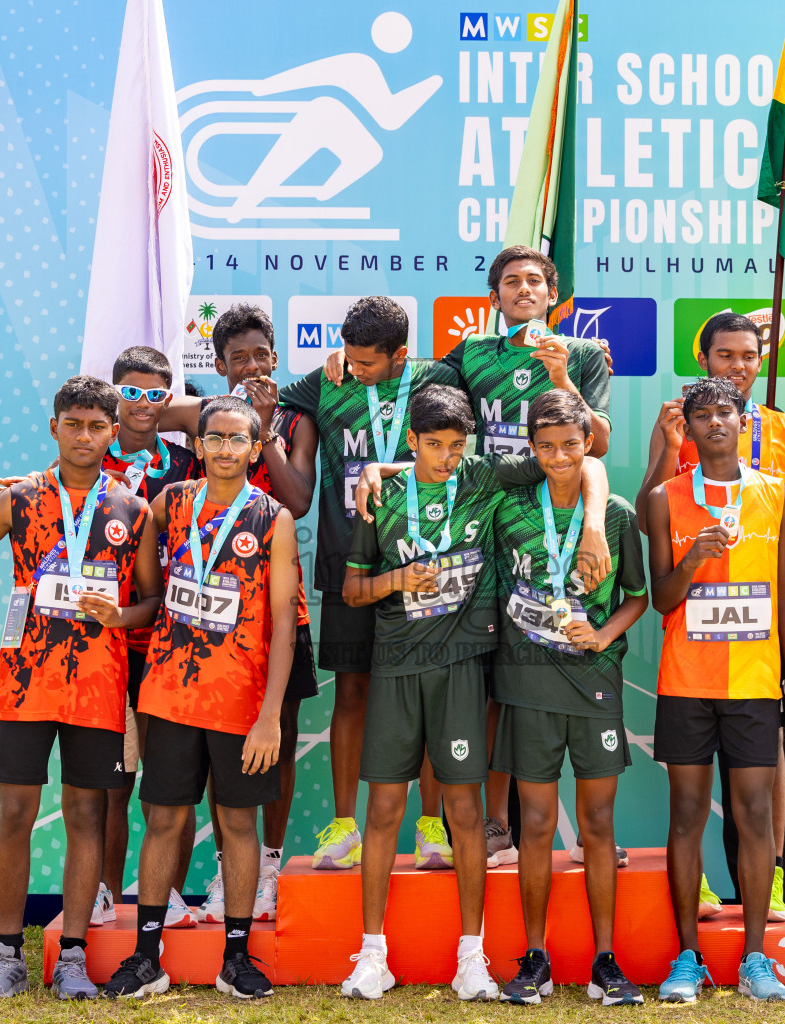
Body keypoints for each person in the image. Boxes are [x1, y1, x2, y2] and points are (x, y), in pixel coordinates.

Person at [325, 246, 614, 866]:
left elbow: (597, 444)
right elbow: (437, 429)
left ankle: (590, 836)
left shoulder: (583, 353)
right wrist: (351, 372)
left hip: (557, 511)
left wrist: (562, 381)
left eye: (536, 280)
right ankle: (491, 826)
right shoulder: (474, 354)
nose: (524, 289)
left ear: (552, 293)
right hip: (493, 509)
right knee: (493, 684)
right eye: (511, 281)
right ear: (496, 295)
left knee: (552, 672)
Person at [337, 384, 610, 1001]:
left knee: (465, 814)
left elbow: (582, 459)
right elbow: (353, 592)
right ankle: (372, 953)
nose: (446, 458)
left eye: (456, 447)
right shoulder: (382, 496)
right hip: (397, 668)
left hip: (462, 667)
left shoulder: (484, 477)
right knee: (382, 810)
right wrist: (396, 579)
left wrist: (593, 523)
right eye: (433, 446)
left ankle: (471, 956)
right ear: (411, 443)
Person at [0, 376, 162, 1001]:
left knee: (87, 814)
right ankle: (6, 954)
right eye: (73, 425)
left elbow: (152, 600)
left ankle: (74, 957)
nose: (84, 437)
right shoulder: (22, 499)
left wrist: (119, 617)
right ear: (54, 427)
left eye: (97, 427)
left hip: (98, 687)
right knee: (14, 813)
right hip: (25, 683)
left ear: (115, 434)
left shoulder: (132, 510)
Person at [100, 395, 300, 1000]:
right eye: (213, 438)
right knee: (164, 820)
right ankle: (145, 956)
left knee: (237, 823)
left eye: (237, 439)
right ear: (200, 444)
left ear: (256, 447)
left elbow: (285, 627)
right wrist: (37, 481)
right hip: (166, 695)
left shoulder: (274, 518)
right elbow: (111, 508)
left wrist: (271, 716)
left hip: (241, 702)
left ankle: (235, 959)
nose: (223, 449)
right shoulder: (172, 501)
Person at [277, 297, 467, 871]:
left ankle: (432, 824)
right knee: (352, 692)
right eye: (350, 357)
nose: (355, 370)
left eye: (367, 362)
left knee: (432, 696)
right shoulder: (327, 380)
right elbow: (272, 401)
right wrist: (336, 361)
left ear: (401, 355)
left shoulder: (438, 378)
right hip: (348, 562)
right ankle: (344, 824)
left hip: (426, 558)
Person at [646, 377, 785, 1004]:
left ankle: (754, 958)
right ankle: (686, 956)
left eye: (727, 412)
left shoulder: (781, 497)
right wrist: (692, 562)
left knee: (754, 817)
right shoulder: (666, 499)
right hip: (687, 684)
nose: (716, 421)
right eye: (703, 415)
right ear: (687, 428)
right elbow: (661, 597)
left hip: (753, 685)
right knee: (686, 816)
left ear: (744, 422)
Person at [491, 391, 647, 1006]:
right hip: (527, 684)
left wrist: (603, 633)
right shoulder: (508, 507)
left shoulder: (616, 514)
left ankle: (606, 962)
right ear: (531, 448)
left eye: (571, 445)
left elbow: (637, 594)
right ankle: (535, 958)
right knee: (532, 823)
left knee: (598, 824)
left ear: (589, 445)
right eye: (547, 446)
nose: (559, 456)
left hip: (595, 682)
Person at [168, 305, 319, 924]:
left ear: (275, 358)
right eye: (238, 358)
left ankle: (271, 868)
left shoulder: (296, 419)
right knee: (214, 753)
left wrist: (266, 430)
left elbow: (299, 498)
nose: (251, 366)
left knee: (274, 745)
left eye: (260, 355)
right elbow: (140, 413)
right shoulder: (203, 415)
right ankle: (231, 867)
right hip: (207, 622)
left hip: (281, 614)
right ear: (220, 365)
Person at [96, 347, 196, 932]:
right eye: (130, 393)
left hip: (174, 641)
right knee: (111, 781)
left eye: (156, 395)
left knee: (168, 782)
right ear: (114, 397)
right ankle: (106, 893)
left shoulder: (189, 463)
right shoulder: (85, 457)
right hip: (107, 645)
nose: (142, 405)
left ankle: (172, 895)